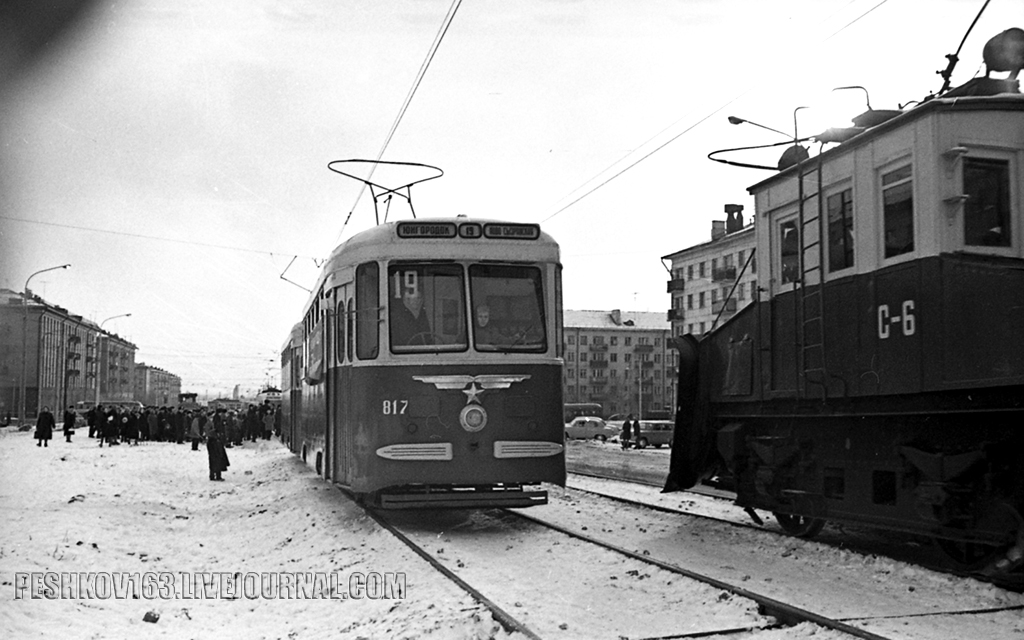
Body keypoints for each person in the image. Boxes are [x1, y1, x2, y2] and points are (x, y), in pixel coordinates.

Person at [205, 413, 230, 481]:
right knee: (214, 459)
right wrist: (215, 431)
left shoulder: (215, 423)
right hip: (212, 442)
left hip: (216, 442)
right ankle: (213, 475)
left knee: (218, 458)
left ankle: (218, 474)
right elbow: (208, 432)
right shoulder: (208, 424)